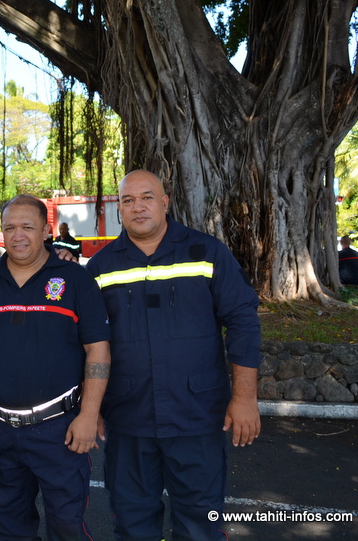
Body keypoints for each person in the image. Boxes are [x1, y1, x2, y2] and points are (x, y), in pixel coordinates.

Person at [86, 170, 261, 541]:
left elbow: (243, 322)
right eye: (128, 200)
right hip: (128, 417)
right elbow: (87, 342)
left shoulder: (206, 252)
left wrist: (245, 397)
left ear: (165, 202)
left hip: (196, 415)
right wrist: (92, 408)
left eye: (147, 197)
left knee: (201, 525)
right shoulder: (101, 267)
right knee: (132, 525)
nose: (138, 207)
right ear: (119, 210)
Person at [0, 195, 110, 541]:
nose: (18, 236)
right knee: (7, 528)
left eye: (28, 227)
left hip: (59, 430)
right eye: (9, 228)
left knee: (67, 527)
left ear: (46, 230)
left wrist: (89, 414)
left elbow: (98, 350)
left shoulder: (75, 278)